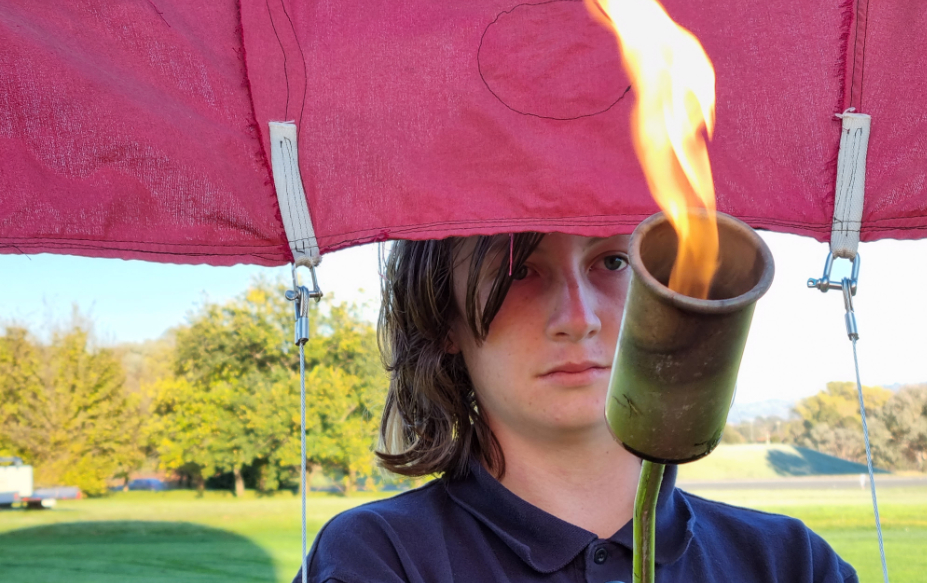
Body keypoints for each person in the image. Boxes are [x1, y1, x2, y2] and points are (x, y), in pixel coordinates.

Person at [294, 232, 858, 583]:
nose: (578, 315)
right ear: (445, 318)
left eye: (613, 261)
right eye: (518, 270)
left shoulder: (789, 562)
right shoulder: (378, 559)